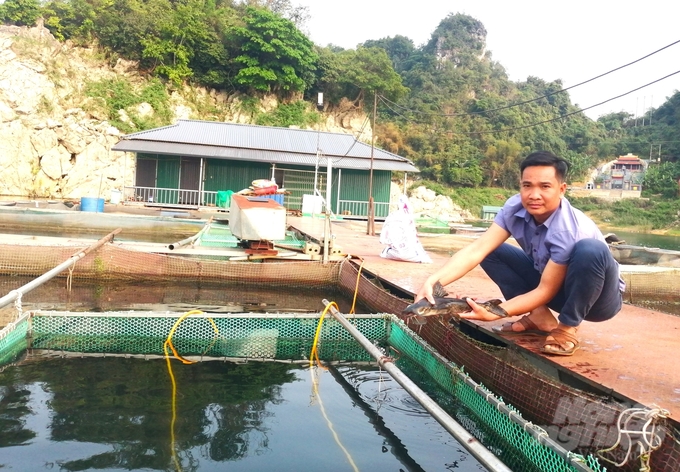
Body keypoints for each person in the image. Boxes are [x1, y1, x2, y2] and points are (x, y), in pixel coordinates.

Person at [414, 151, 624, 356]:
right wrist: (432, 283)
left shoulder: (569, 228)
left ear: (562, 190)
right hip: (555, 286)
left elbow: (546, 290)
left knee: (590, 249)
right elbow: (478, 249)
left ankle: (567, 328)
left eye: (545, 186)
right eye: (527, 186)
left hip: (597, 300)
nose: (534, 195)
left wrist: (496, 312)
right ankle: (539, 317)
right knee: (492, 250)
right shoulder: (514, 208)